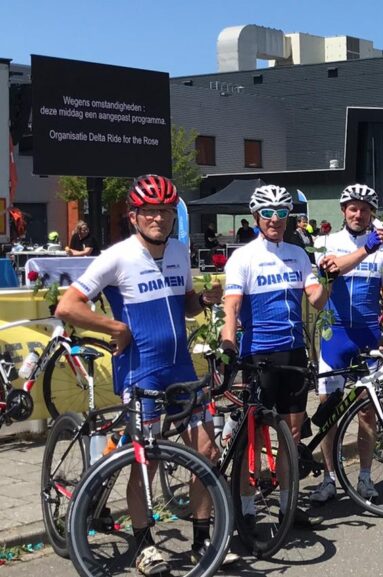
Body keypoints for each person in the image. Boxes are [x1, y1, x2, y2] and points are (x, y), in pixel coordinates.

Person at [54, 174, 236, 573]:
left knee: (206, 451)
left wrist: (203, 300)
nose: (159, 218)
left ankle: (201, 540)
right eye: (150, 211)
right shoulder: (116, 256)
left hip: (182, 368)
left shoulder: (179, 250)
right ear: (134, 216)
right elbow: (67, 306)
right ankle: (143, 544)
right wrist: (115, 328)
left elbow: (185, 305)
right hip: (142, 372)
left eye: (166, 211)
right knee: (146, 462)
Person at [219, 184, 329, 529]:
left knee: (291, 435)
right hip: (259, 354)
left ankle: (286, 505)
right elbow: (232, 305)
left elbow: (317, 300)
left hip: (294, 352)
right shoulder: (244, 257)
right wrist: (227, 340)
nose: (275, 220)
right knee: (251, 437)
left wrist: (328, 278)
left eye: (282, 214)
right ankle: (247, 509)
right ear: (256, 217)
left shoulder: (298, 254)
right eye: (268, 214)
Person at [308, 184, 383, 504]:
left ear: (372, 212)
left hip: (367, 337)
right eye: (352, 208)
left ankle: (364, 477)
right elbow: (330, 271)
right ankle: (330, 478)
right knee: (329, 413)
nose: (358, 214)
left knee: (367, 413)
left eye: (364, 209)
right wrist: (366, 250)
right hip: (335, 337)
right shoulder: (326, 243)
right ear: (343, 210)